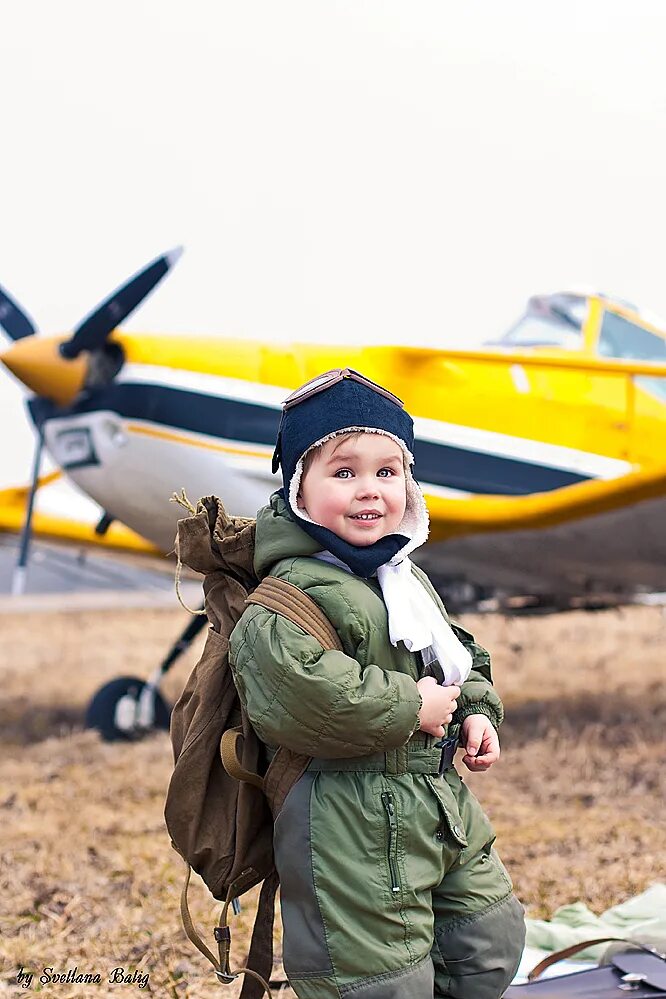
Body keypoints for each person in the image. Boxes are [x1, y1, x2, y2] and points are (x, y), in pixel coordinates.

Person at [229, 369, 525, 999]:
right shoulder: (288, 595)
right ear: (299, 489)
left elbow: (453, 654)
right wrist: (411, 705)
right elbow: (301, 697)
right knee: (378, 983)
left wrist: (475, 712)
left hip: (435, 801)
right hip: (345, 818)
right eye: (343, 473)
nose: (369, 491)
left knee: (487, 947)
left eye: (387, 472)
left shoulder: (400, 577)